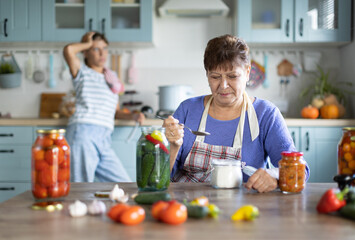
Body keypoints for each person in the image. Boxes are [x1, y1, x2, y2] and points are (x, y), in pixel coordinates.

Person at [162, 34, 310, 193]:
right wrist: (173, 146)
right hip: (188, 207)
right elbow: (160, 178)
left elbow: (300, 170)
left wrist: (274, 175)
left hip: (243, 211)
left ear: (247, 72)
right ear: (207, 75)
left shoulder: (266, 114)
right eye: (215, 77)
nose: (223, 85)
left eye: (232, 76)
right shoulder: (187, 110)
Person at [63, 31, 145, 182]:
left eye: (105, 48)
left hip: (104, 138)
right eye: (95, 49)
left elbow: (115, 111)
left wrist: (133, 115)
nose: (102, 53)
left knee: (123, 184)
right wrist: (87, 43)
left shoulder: (111, 78)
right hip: (83, 133)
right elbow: (68, 50)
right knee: (81, 186)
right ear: (85, 53)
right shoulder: (82, 72)